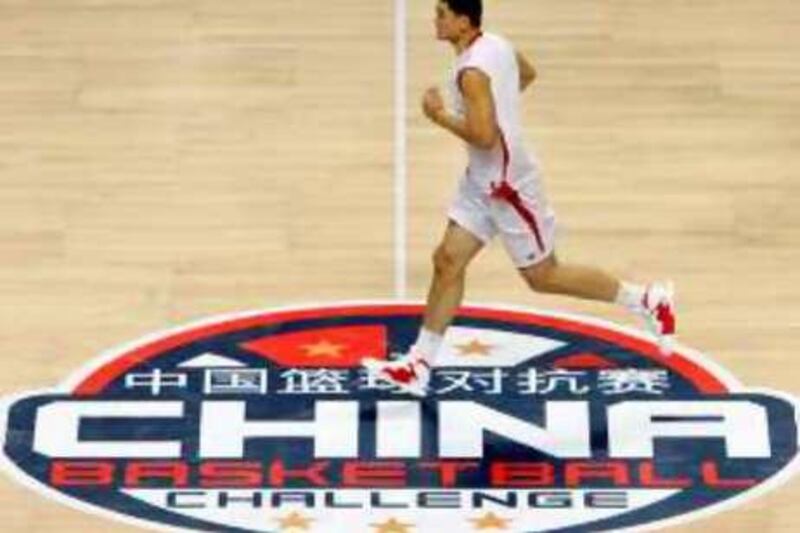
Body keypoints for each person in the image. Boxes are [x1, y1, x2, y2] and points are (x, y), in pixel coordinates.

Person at [363, 0, 675, 396]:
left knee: (544, 277)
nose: (435, 19)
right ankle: (419, 364)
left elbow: (485, 136)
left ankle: (647, 300)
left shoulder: (472, 74)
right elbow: (525, 74)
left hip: (509, 189)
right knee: (447, 260)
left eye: (442, 12)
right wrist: (501, 108)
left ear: (463, 21)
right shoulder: (496, 44)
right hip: (481, 183)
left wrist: (439, 115)